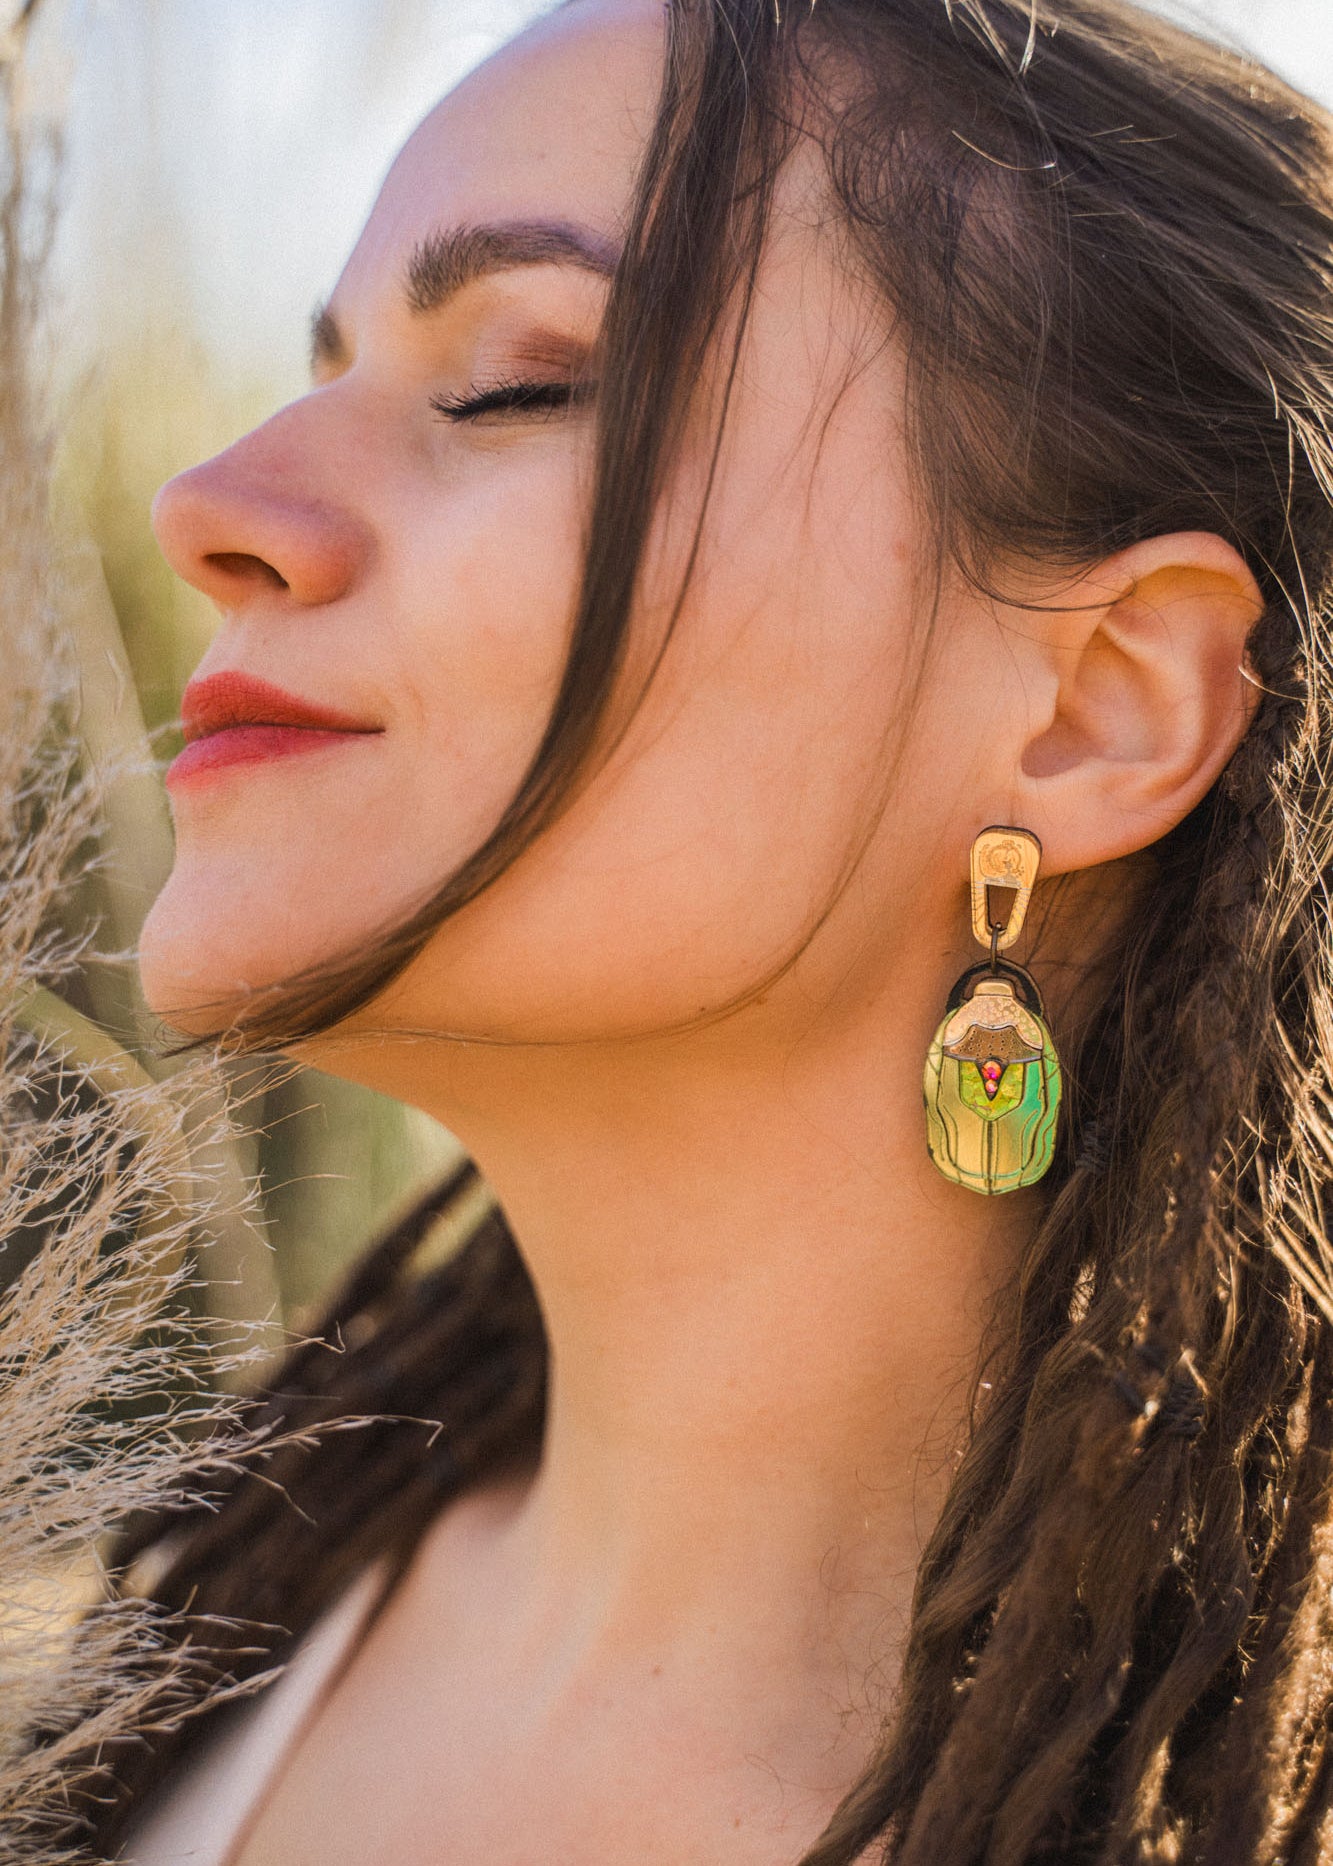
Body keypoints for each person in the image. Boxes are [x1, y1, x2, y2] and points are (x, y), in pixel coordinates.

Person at [72, 0, 1333, 1858]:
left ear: (1096, 703)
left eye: (513, 379)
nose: (212, 507)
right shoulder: (206, 1622)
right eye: (316, 371)